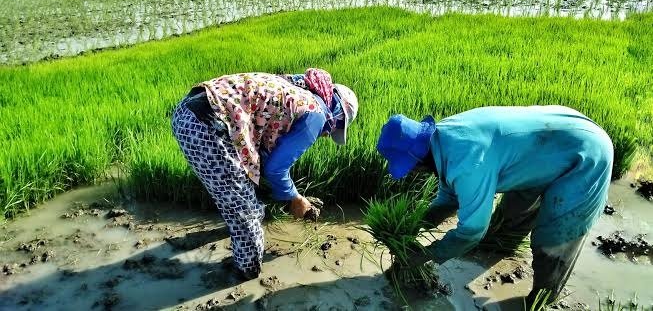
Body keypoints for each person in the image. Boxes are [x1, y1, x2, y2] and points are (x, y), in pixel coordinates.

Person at [376, 105, 613, 305]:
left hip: (585, 153)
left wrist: (429, 254)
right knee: (510, 219)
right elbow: (451, 197)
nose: (411, 171)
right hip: (543, 149)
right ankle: (502, 256)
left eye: (409, 166)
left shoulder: (467, 162)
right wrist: (418, 224)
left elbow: (472, 230)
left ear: (418, 159)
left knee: (553, 240)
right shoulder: (441, 140)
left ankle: (542, 299)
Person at [172, 69, 358, 280]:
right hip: (207, 126)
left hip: (189, 112)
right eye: (335, 128)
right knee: (246, 212)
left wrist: (287, 196)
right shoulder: (315, 115)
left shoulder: (298, 88)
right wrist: (295, 198)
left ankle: (224, 236)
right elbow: (276, 169)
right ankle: (246, 274)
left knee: (240, 194)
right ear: (338, 114)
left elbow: (264, 155)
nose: (327, 135)